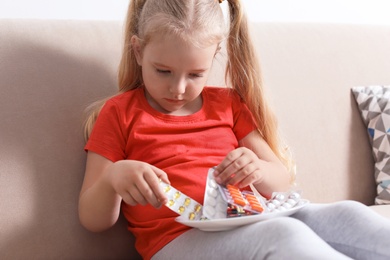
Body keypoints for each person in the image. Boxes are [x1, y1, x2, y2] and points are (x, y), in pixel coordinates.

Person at [78, 0, 390, 259]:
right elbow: (92, 220)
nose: (178, 88)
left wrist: (256, 169)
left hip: (250, 218)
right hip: (177, 242)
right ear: (138, 51)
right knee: (282, 234)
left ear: (213, 58)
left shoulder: (227, 103)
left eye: (196, 74)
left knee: (347, 214)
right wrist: (113, 179)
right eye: (163, 71)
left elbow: (280, 180)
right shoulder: (119, 113)